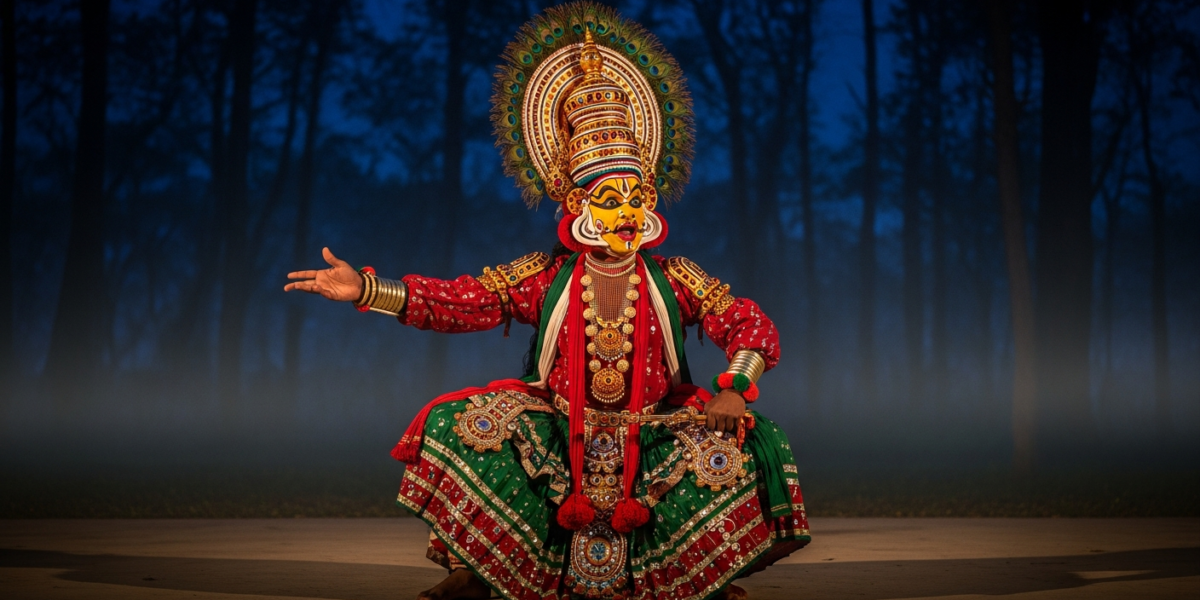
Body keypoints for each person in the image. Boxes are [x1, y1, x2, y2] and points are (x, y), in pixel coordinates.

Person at [285, 4, 808, 599]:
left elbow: (748, 324)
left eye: (638, 196)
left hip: (655, 427)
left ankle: (701, 576)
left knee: (752, 441)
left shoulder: (677, 277)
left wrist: (736, 388)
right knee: (461, 424)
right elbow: (462, 302)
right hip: (561, 432)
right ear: (577, 206)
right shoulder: (543, 276)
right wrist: (368, 289)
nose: (629, 212)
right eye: (611, 198)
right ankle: (483, 572)